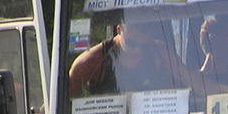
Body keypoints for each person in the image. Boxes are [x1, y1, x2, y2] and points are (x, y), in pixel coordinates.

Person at [68, 20, 197, 97]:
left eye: (144, 45)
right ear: (119, 29)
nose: (137, 50)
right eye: (131, 43)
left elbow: (193, 81)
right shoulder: (91, 62)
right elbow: (59, 104)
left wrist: (217, 92)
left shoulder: (159, 52)